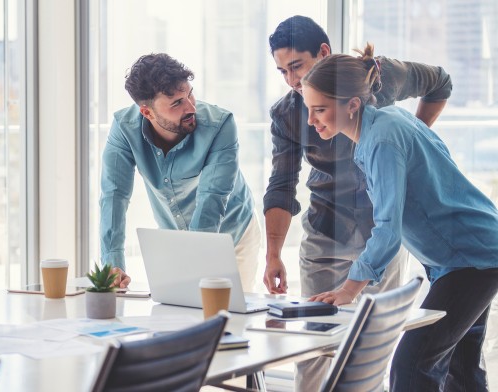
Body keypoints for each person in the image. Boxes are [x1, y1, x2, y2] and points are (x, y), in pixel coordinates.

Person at [262, 16, 452, 390]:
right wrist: (272, 253)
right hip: (325, 231)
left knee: (373, 350)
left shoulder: (380, 78)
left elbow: (439, 82)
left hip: (382, 232)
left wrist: (413, 136)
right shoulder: (286, 113)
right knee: (314, 350)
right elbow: (282, 185)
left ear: (324, 53)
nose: (291, 80)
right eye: (282, 71)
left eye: (296, 66)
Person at [303, 43, 498, 391]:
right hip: (469, 253)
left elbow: (388, 229)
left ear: (352, 105)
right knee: (462, 369)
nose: (311, 120)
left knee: (412, 365)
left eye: (319, 109)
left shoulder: (382, 139)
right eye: (309, 109)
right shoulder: (388, 122)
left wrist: (350, 287)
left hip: (471, 259)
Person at [99, 53, 261, 291]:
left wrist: (193, 264)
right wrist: (113, 265)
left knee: (228, 316)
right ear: (147, 113)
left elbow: (212, 197)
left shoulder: (220, 125)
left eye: (189, 94)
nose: (191, 107)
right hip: (176, 238)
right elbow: (114, 196)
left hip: (232, 234)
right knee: (178, 317)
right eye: (176, 103)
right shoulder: (125, 128)